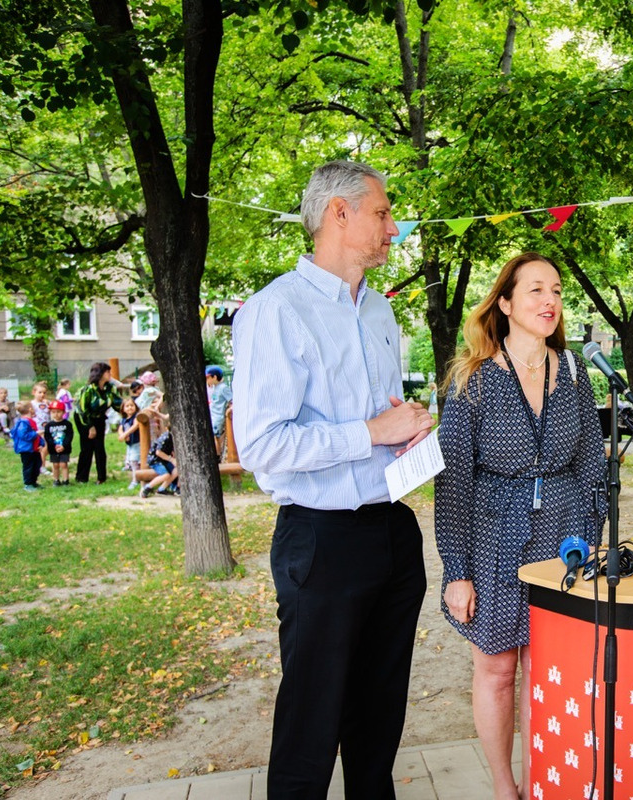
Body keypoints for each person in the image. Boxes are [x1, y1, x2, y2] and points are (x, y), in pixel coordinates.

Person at [232, 160, 433, 800]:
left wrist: (406, 430)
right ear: (338, 214)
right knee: (312, 721)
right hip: (319, 541)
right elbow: (263, 443)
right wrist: (371, 431)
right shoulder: (274, 311)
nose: (394, 227)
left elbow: (381, 414)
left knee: (379, 719)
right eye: (382, 212)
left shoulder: (379, 312)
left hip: (392, 532)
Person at [435, 252, 607, 800]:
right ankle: (505, 787)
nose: (549, 300)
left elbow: (591, 467)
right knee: (498, 672)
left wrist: (590, 536)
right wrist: (456, 571)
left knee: (547, 669)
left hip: (564, 539)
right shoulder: (473, 379)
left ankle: (542, 781)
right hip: (492, 540)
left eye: (555, 289)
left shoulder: (575, 373)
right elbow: (454, 483)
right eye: (534, 290)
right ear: (505, 303)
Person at [73, 362, 121, 484]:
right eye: (107, 372)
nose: (110, 374)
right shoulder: (88, 390)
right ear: (100, 374)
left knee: (100, 448)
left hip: (100, 418)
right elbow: (82, 410)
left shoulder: (110, 388)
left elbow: (118, 404)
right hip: (84, 419)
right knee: (87, 447)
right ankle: (81, 478)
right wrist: (90, 427)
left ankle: (101, 478)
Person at [139, 417, 178, 497]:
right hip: (155, 460)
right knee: (166, 475)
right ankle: (147, 487)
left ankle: (162, 488)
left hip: (164, 459)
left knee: (177, 470)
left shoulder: (174, 438)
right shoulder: (166, 437)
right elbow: (158, 452)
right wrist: (171, 459)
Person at [10, 400, 44, 491]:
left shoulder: (31, 421)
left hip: (34, 449)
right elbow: (23, 435)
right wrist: (36, 433)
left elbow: (37, 435)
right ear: (30, 409)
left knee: (37, 465)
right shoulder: (23, 422)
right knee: (29, 467)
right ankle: (28, 484)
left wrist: (41, 443)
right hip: (26, 449)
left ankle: (34, 482)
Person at [44, 400, 74, 486]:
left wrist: (64, 445)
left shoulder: (67, 424)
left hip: (64, 448)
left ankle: (66, 480)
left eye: (58, 412)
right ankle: (56, 480)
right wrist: (54, 446)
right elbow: (47, 437)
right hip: (53, 449)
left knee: (63, 464)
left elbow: (69, 436)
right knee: (55, 465)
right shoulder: (49, 425)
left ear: (63, 412)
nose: (56, 414)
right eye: (53, 412)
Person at [205, 365, 232, 456]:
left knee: (216, 437)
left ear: (215, 377)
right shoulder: (215, 388)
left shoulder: (223, 388)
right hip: (213, 416)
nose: (207, 380)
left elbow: (232, 400)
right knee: (215, 437)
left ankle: (217, 456)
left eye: (208, 377)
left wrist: (228, 410)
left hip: (218, 417)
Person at [117, 398, 143, 490]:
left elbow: (135, 426)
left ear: (135, 407)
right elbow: (120, 428)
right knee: (132, 461)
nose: (129, 408)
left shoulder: (136, 417)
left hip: (137, 442)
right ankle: (138, 477)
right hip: (130, 444)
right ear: (123, 409)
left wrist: (125, 434)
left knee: (134, 461)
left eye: (132, 405)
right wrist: (121, 435)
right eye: (127, 406)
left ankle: (135, 480)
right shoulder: (124, 419)